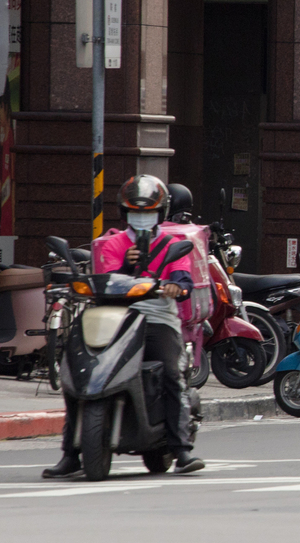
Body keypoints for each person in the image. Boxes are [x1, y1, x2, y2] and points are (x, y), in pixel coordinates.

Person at [43, 175, 205, 478]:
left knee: (171, 372)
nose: (141, 219)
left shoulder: (172, 245)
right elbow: (105, 278)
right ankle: (70, 452)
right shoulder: (113, 243)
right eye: (135, 213)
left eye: (148, 213)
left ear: (160, 214)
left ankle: (181, 449)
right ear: (124, 214)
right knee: (75, 373)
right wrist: (128, 266)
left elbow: (182, 280)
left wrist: (174, 288)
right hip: (113, 316)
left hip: (157, 318)